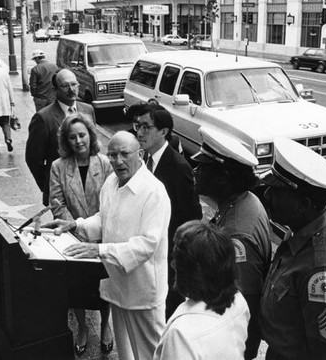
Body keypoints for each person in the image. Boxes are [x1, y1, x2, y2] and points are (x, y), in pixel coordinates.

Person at [44, 131, 171, 360]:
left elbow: (147, 244)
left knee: (152, 355)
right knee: (126, 354)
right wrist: (76, 225)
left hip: (143, 293)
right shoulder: (112, 182)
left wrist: (99, 250)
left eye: (124, 154)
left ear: (140, 154)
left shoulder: (154, 192)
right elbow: (104, 218)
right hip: (117, 287)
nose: (118, 161)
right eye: (112, 155)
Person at [259, 137, 326, 360]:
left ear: (303, 205)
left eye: (276, 192)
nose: (266, 196)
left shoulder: (321, 273)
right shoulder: (306, 225)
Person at [191, 126, 271, 359]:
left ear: (224, 179)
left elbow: (244, 304)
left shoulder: (237, 237)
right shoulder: (242, 200)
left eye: (203, 167)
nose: (195, 170)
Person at [49, 113, 113, 356]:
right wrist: (76, 228)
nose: (78, 141)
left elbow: (110, 203)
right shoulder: (58, 166)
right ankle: (83, 328)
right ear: (66, 140)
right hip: (73, 238)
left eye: (82, 135)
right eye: (72, 136)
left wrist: (92, 228)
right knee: (76, 288)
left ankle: (106, 327)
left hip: (102, 236)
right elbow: (57, 202)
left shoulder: (105, 163)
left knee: (104, 286)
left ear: (90, 135)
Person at [135, 103, 202, 319]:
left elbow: (192, 216)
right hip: (147, 249)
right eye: (138, 126)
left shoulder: (178, 167)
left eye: (146, 127)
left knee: (166, 311)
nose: (139, 132)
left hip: (168, 255)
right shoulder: (142, 159)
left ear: (163, 131)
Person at [153, 221, 250, 360]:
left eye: (177, 260)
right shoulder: (239, 301)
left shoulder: (181, 333)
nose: (173, 264)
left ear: (191, 273)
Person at [25, 69, 96, 206]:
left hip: (90, 185)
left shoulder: (88, 110)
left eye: (74, 84)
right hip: (61, 191)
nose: (71, 89)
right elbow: (33, 159)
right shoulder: (43, 118)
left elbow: (93, 145)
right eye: (65, 86)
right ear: (54, 89)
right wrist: (50, 186)